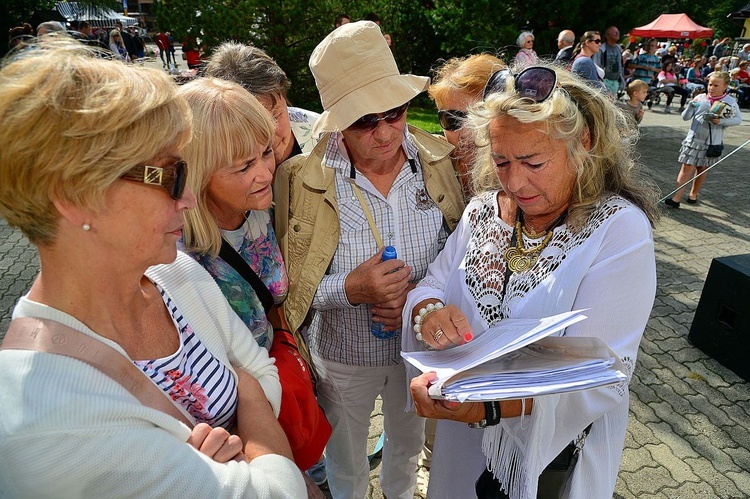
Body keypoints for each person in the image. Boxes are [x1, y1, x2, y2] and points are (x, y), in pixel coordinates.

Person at [0, 38, 305, 497]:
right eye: (171, 175)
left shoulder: (174, 272)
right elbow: (279, 492)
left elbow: (259, 371)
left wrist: (243, 417)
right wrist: (249, 402)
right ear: (78, 195)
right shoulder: (48, 420)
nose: (188, 197)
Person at [404, 62, 659, 499]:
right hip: (462, 437)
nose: (515, 181)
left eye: (533, 162)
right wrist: (429, 314)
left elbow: (599, 374)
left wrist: (485, 408)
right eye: (501, 160)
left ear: (584, 144)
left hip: (548, 454)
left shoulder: (618, 230)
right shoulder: (484, 209)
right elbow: (432, 284)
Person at [274, 20, 465, 499]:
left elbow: (464, 260)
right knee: (347, 467)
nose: (385, 132)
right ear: (338, 121)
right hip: (343, 359)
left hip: (416, 353)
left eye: (395, 112)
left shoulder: (440, 162)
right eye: (364, 120)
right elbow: (286, 294)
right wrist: (352, 290)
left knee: (404, 453)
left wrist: (420, 303)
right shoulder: (299, 180)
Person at [204, 42, 320, 165]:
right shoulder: (210, 157)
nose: (270, 137)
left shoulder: (325, 138)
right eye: (252, 125)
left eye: (276, 117)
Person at [429, 53, 505, 199]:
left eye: (479, 116)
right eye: (451, 119)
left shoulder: (522, 177)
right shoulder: (428, 165)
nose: (466, 131)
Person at [665, 72, 741, 208]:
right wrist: (690, 106)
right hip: (694, 140)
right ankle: (676, 198)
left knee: (702, 168)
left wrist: (721, 121)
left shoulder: (729, 101)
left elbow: (738, 119)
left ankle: (693, 194)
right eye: (710, 84)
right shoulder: (700, 97)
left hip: (712, 142)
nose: (711, 88)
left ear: (725, 86)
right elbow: (685, 117)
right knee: (687, 166)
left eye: (716, 85)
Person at [596, 26, 625, 96]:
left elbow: (620, 65)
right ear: (607, 35)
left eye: (618, 32)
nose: (617, 34)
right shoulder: (601, 49)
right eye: (615, 32)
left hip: (615, 82)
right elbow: (596, 65)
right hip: (604, 81)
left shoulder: (618, 48)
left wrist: (622, 80)